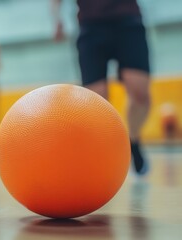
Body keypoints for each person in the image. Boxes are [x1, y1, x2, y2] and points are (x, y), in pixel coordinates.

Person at [52, 0, 151, 175]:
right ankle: (108, 151)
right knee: (96, 102)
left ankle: (133, 140)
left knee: (140, 92)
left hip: (128, 21)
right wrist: (56, 19)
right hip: (91, 26)